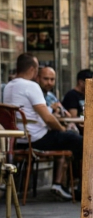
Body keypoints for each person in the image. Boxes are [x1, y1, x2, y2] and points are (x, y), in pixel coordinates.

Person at [2, 54, 82, 200]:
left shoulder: (9, 86)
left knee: (70, 138)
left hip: (16, 139)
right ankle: (83, 187)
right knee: (78, 140)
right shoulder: (31, 86)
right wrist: (63, 129)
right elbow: (48, 118)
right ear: (32, 69)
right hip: (36, 138)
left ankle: (62, 185)